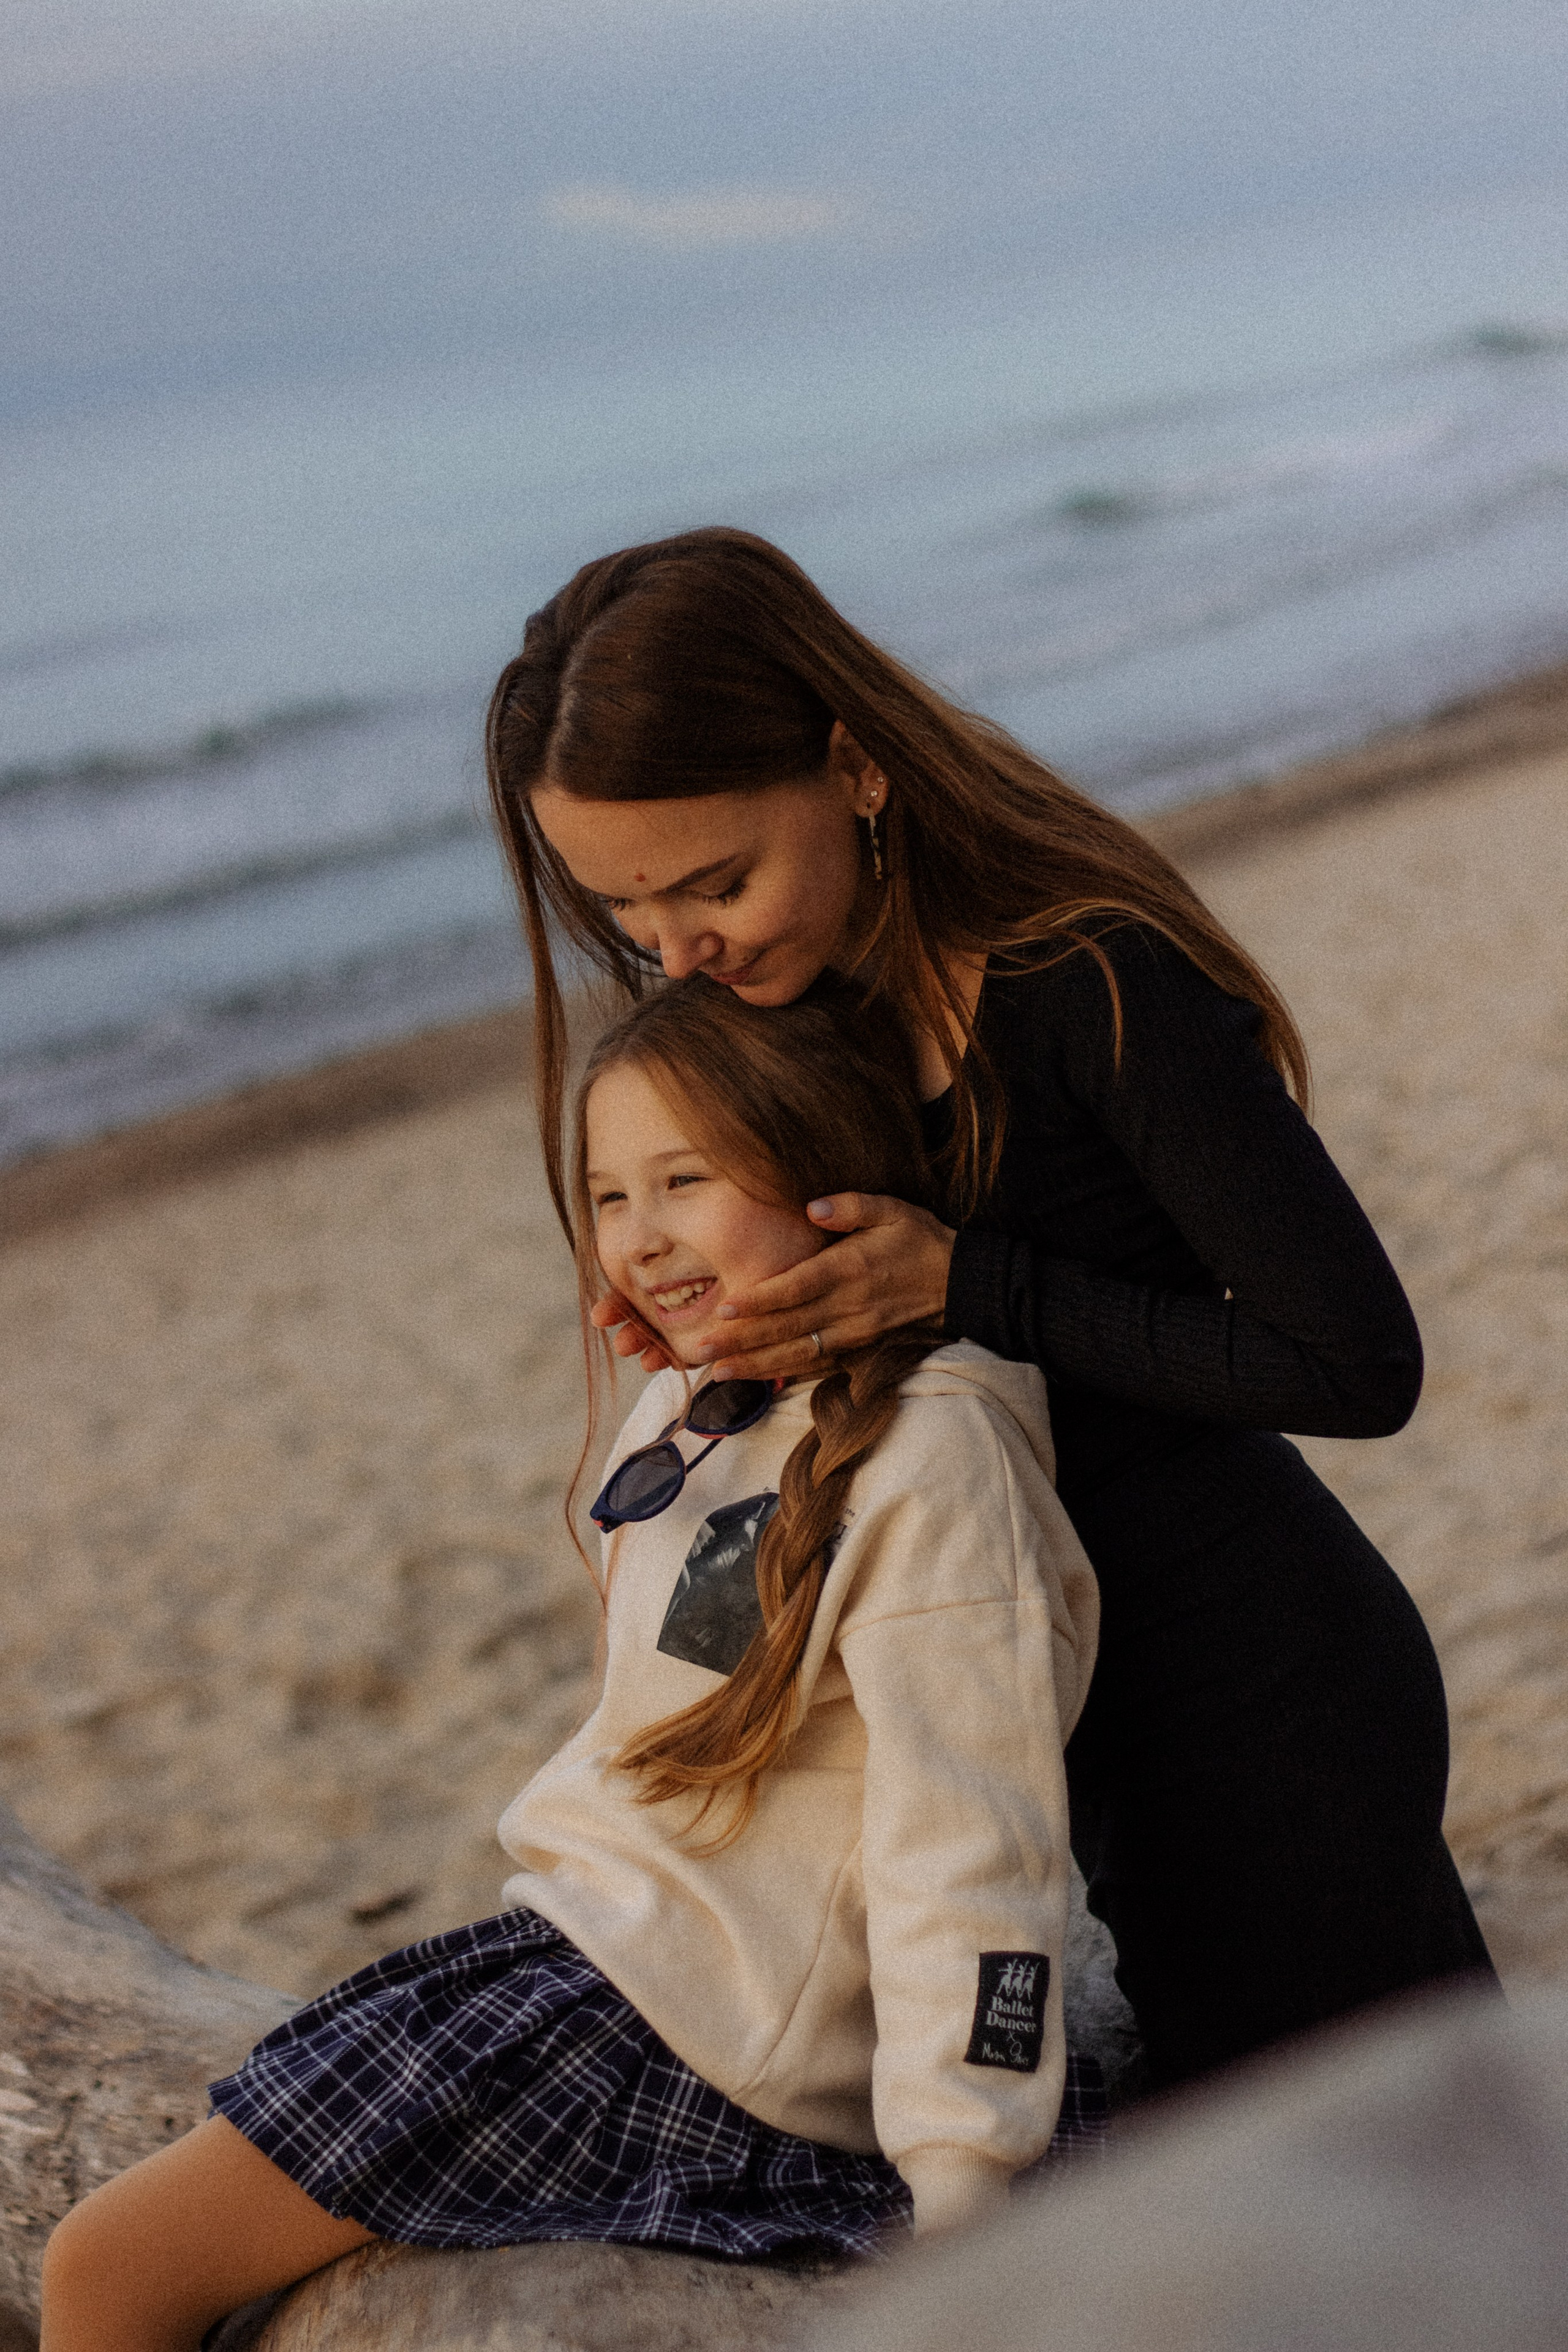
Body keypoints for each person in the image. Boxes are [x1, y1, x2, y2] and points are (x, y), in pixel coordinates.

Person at [484, 524, 1498, 2094]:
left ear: (855, 767)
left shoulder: (1090, 979)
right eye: (623, 913)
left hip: (1257, 1697)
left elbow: (1354, 1361)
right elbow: (896, 1364)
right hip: (1050, 1720)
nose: (674, 952)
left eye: (714, 884)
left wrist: (963, 1278)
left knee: (1390, 2190)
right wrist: (728, 1325)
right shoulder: (782, 1013)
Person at [40, 978, 1101, 2352]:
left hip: (696, 2033)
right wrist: (692, 1405)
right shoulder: (712, 1406)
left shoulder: (936, 1462)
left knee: (107, 2272)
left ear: (833, 1176)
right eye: (609, 1198)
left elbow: (973, 1845)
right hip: (613, 1945)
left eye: (685, 1179)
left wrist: (966, 2190)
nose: (643, 1238)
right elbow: (678, 1664)